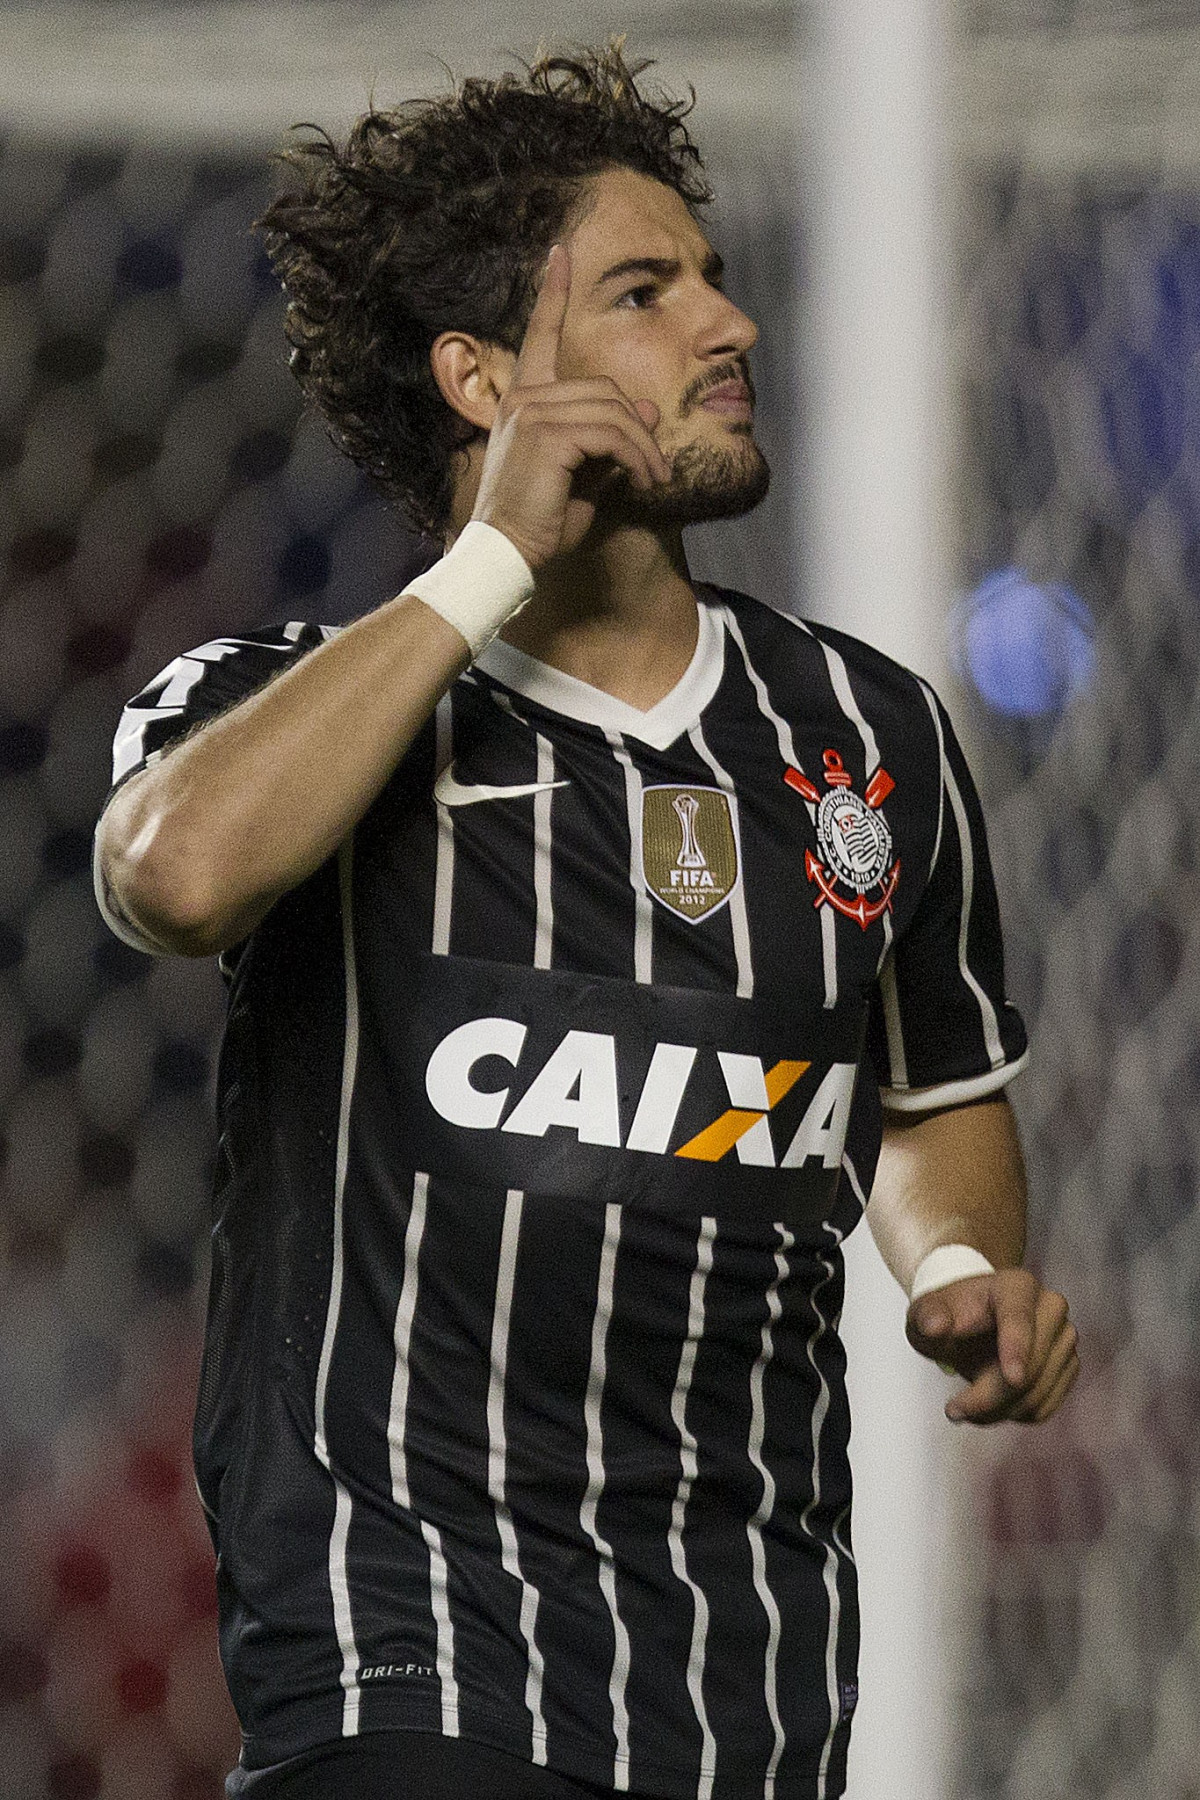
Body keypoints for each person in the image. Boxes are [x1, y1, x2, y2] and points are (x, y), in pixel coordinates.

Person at [94, 45, 1078, 1800]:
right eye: (647, 289)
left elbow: (925, 1097)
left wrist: (950, 1271)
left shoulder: (865, 736)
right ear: (481, 379)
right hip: (408, 1648)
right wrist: (484, 569)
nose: (731, 323)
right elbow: (172, 876)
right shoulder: (289, 706)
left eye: (712, 272)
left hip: (747, 1665)